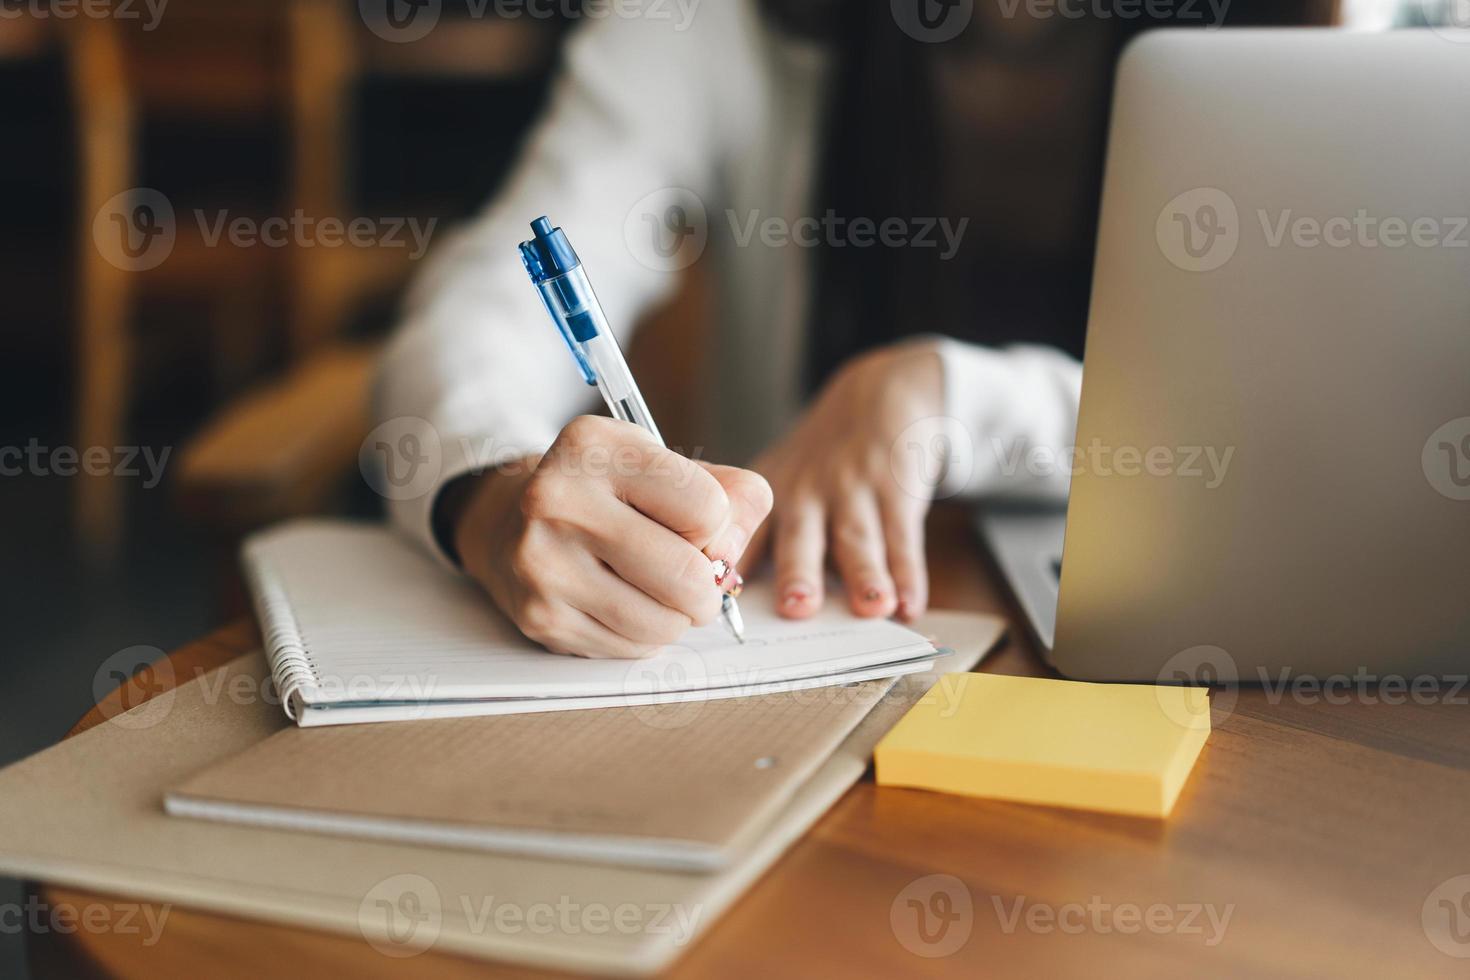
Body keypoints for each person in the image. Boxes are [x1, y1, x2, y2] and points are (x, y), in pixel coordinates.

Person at [375, 0, 1327, 658]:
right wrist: (489, 496)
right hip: (808, 635)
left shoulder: (1310, 34)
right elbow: (491, 295)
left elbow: (1299, 407)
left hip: (1201, 608)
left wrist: (956, 399)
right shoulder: (715, 24)